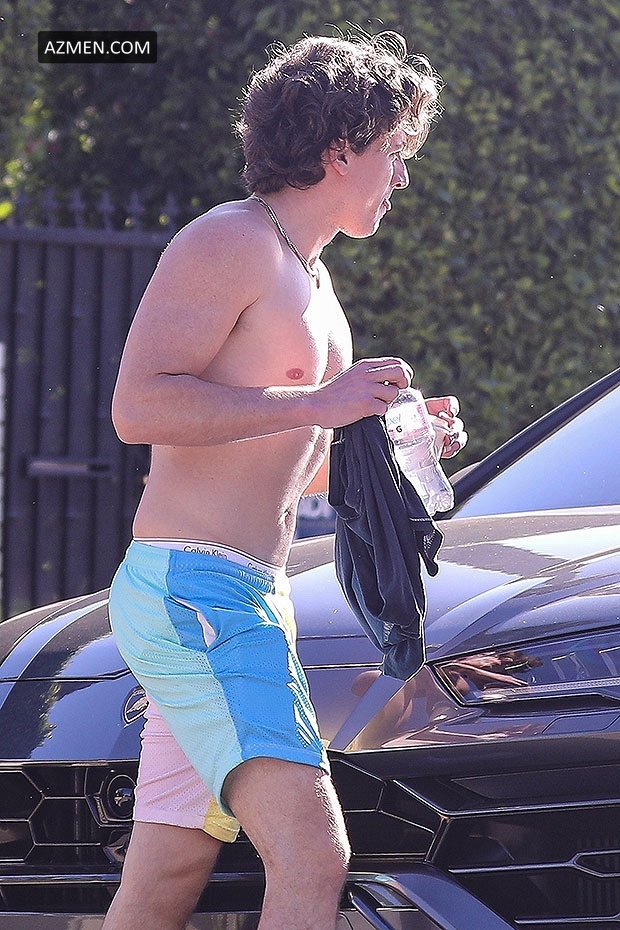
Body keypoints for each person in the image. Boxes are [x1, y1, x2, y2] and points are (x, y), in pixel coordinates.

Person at [103, 29, 467, 930]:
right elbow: (139, 407)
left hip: (241, 594)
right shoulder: (229, 241)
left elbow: (299, 466)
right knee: (312, 855)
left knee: (164, 880)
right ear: (342, 147)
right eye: (394, 151)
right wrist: (320, 402)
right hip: (197, 592)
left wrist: (403, 445)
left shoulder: (314, 282)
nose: (402, 176)